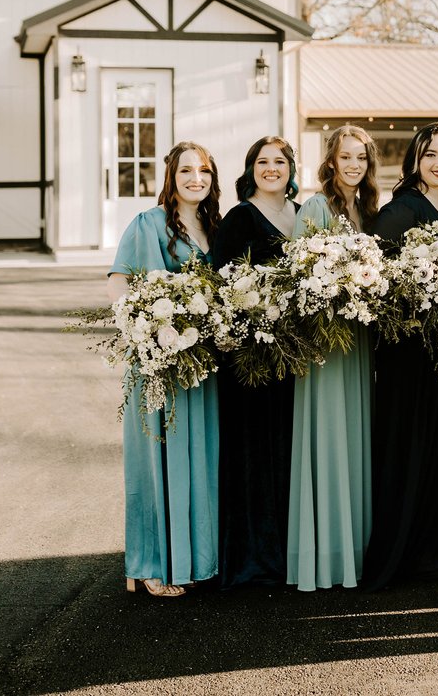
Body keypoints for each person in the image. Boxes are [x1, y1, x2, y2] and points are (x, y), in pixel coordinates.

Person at [109, 140, 223, 598]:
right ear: (171, 178)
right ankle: (148, 564)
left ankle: (195, 559)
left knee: (198, 459)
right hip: (160, 363)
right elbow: (120, 283)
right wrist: (148, 333)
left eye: (205, 172)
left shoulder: (215, 227)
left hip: (202, 363)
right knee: (155, 463)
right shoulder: (149, 223)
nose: (197, 179)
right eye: (187, 171)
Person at [363, 122, 438, 590]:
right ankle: (398, 554)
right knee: (407, 448)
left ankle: (431, 551)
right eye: (430, 156)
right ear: (414, 161)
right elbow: (376, 283)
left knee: (437, 450)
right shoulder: (399, 211)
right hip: (408, 355)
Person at [286, 125, 379, 591]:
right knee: (328, 437)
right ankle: (323, 554)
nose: (353, 165)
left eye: (361, 157)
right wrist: (338, 287)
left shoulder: (369, 210)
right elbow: (299, 277)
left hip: (359, 343)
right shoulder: (316, 208)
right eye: (346, 157)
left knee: (356, 437)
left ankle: (356, 550)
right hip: (327, 344)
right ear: (331, 161)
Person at [210, 136, 300, 589]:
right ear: (251, 170)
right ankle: (252, 557)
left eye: (279, 162)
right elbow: (222, 284)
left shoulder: (301, 215)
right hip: (249, 359)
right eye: (262, 162)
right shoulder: (239, 219)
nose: (271, 169)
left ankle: (288, 550)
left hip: (294, 358)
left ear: (290, 168)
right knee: (253, 453)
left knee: (287, 450)